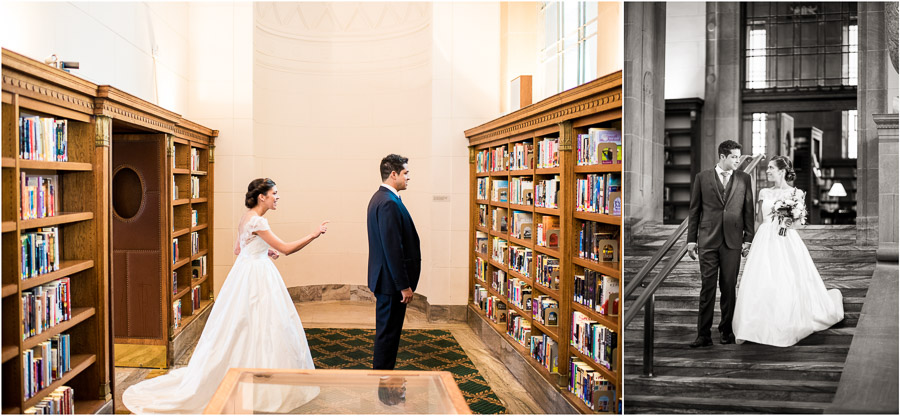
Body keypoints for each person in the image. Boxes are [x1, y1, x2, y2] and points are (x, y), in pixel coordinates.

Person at [123, 178, 329, 413]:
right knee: (265, 326)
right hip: (257, 278)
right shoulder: (259, 221)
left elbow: (238, 249)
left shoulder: (246, 217)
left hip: (245, 272)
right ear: (262, 196)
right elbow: (287, 249)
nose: (277, 197)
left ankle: (243, 376)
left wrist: (264, 249)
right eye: (275, 193)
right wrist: (313, 234)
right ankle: (262, 389)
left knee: (244, 327)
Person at [733, 156, 844, 346]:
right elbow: (759, 220)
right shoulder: (764, 192)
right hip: (765, 238)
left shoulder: (796, 193)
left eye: (770, 168)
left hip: (786, 238)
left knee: (787, 278)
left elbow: (800, 223)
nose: (767, 171)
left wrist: (790, 219)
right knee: (762, 280)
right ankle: (753, 326)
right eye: (767, 168)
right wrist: (750, 242)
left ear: (782, 171)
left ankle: (785, 321)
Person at [686, 140, 755, 348]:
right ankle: (703, 335)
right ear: (722, 156)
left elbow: (748, 210)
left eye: (738, 156)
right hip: (707, 240)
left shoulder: (744, 178)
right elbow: (694, 210)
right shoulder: (702, 178)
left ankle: (727, 331)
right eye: (734, 156)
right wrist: (691, 240)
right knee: (707, 288)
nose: (737, 160)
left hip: (733, 241)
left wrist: (748, 238)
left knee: (728, 288)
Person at [367, 154, 421, 370]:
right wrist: (403, 286)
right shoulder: (387, 203)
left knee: (388, 334)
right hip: (391, 284)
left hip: (388, 281)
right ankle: (383, 384)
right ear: (393, 174)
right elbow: (392, 249)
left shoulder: (382, 198)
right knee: (388, 337)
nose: (408, 178)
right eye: (406, 173)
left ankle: (383, 379)